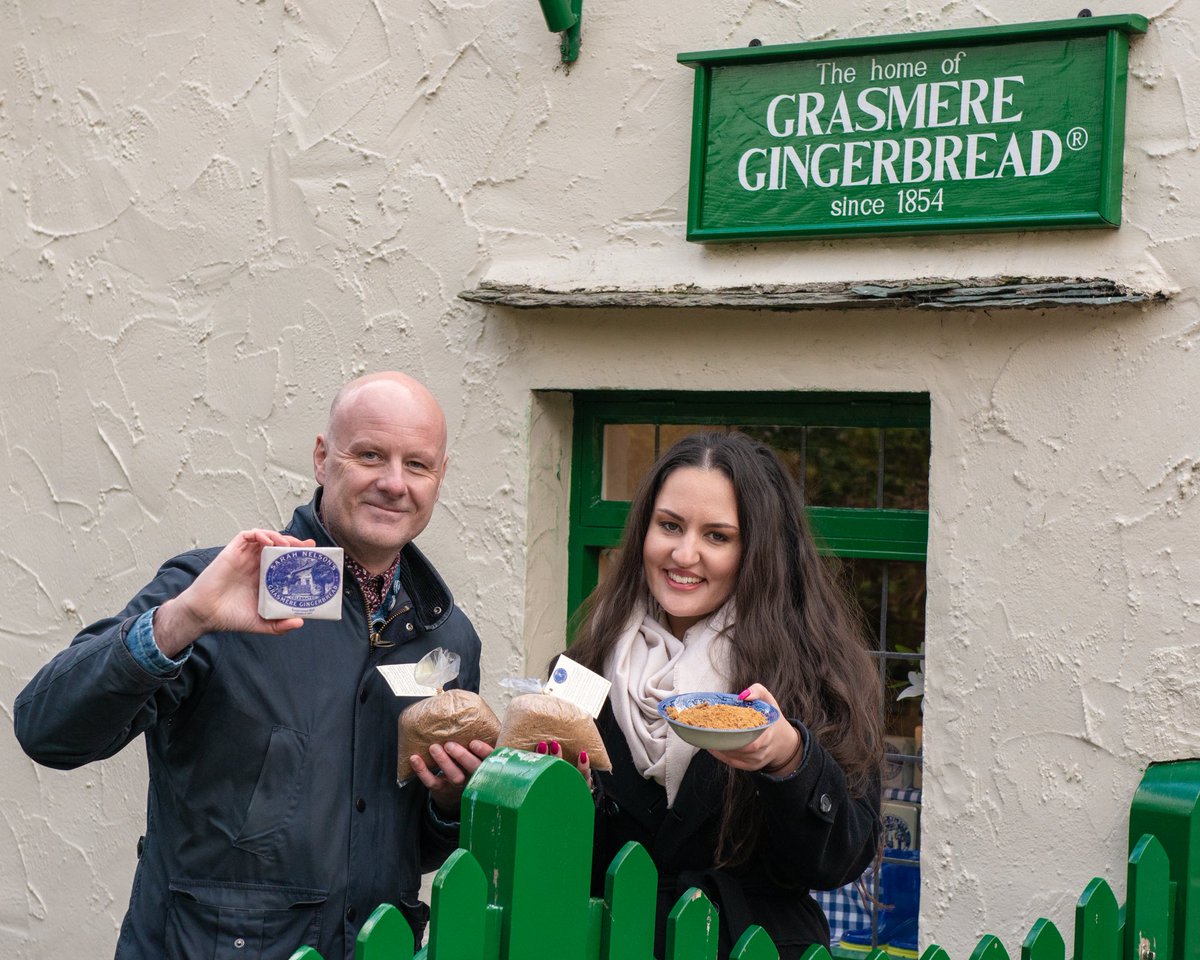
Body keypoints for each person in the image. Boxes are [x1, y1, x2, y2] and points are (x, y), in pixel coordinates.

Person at [14, 371, 492, 960]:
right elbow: (46, 730)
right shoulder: (216, 592)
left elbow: (406, 850)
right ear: (322, 459)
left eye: (417, 465)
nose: (394, 483)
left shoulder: (446, 637)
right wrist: (180, 621)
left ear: (439, 476)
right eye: (370, 455)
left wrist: (449, 804)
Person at [564, 431, 883, 959]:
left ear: (757, 552)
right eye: (669, 526)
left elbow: (839, 860)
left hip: (748, 946)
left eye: (716, 536)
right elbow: (561, 854)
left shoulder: (810, 671)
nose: (683, 554)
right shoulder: (583, 668)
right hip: (612, 944)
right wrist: (567, 792)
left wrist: (789, 761)